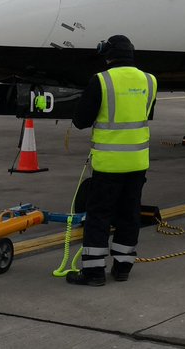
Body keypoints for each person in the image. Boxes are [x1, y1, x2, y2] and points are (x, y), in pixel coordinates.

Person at [67, 34, 157, 286]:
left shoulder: (102, 80)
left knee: (99, 215)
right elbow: (146, 113)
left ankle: (94, 272)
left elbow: (81, 121)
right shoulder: (150, 81)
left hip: (109, 164)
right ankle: (123, 267)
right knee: (129, 215)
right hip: (138, 162)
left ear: (108, 55)